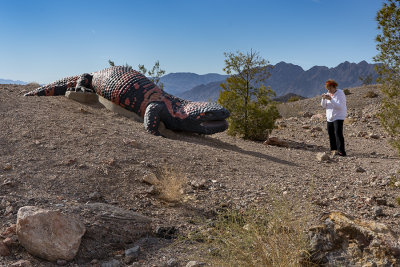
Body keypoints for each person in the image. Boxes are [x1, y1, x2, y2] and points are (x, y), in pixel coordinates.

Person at [321, 79, 347, 156]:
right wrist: (323, 99)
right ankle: (333, 149)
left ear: (334, 86)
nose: (329, 90)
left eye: (330, 88)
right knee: (331, 133)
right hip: (330, 117)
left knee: (338, 133)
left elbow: (340, 106)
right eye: (328, 89)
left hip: (338, 116)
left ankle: (341, 151)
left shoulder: (340, 93)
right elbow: (323, 106)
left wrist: (331, 99)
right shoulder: (328, 93)